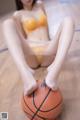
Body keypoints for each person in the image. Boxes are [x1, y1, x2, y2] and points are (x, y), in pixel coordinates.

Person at [3, 0, 74, 96]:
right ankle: (25, 74)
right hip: (31, 53)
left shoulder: (40, 5)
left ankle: (54, 71)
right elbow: (21, 39)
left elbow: (47, 30)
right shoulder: (17, 14)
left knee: (68, 20)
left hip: (47, 49)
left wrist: (55, 45)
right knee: (7, 23)